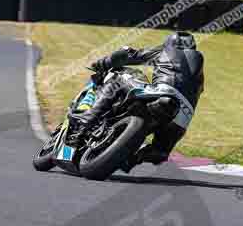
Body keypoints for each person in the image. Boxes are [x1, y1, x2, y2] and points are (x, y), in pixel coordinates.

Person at [69, 31, 204, 170]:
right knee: (159, 151)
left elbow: (130, 55)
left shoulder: (166, 50)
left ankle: (87, 118)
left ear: (170, 42)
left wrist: (102, 63)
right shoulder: (200, 70)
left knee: (119, 79)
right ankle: (132, 160)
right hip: (183, 118)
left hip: (162, 94)